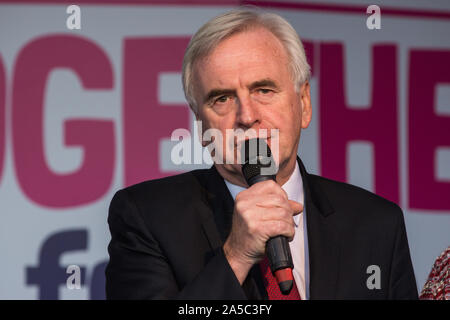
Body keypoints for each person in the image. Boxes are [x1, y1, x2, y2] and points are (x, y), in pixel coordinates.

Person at [105, 8, 418, 299]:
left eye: (264, 90)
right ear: (200, 124)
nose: (247, 115)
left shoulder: (376, 224)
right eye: (222, 98)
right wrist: (236, 257)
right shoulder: (146, 217)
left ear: (304, 103)